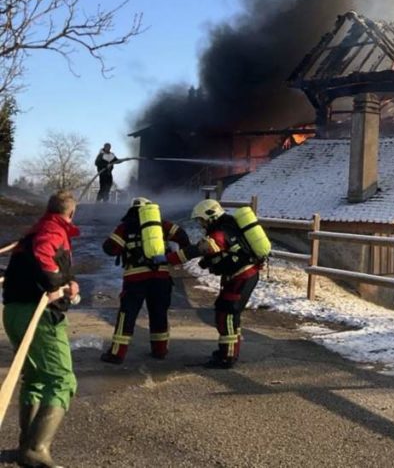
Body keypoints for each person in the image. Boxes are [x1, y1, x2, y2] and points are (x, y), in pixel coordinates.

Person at [2, 191, 80, 468]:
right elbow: (44, 254)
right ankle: (36, 449)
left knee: (36, 379)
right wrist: (57, 283)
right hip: (40, 314)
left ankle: (26, 447)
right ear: (71, 213)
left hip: (14, 310)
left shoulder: (36, 229)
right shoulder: (52, 230)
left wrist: (67, 282)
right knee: (62, 380)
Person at [171, 200, 263, 369]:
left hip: (242, 277)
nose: (201, 224)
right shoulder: (228, 225)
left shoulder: (220, 232)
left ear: (210, 216)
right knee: (225, 312)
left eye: (202, 220)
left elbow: (200, 249)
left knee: (227, 314)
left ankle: (227, 357)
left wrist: (170, 260)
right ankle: (227, 352)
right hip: (239, 276)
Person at [99, 197, 190, 364]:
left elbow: (110, 248)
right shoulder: (161, 225)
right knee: (159, 313)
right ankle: (160, 350)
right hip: (161, 277)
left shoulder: (125, 227)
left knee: (127, 315)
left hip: (135, 278)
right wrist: (172, 254)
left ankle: (117, 354)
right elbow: (182, 236)